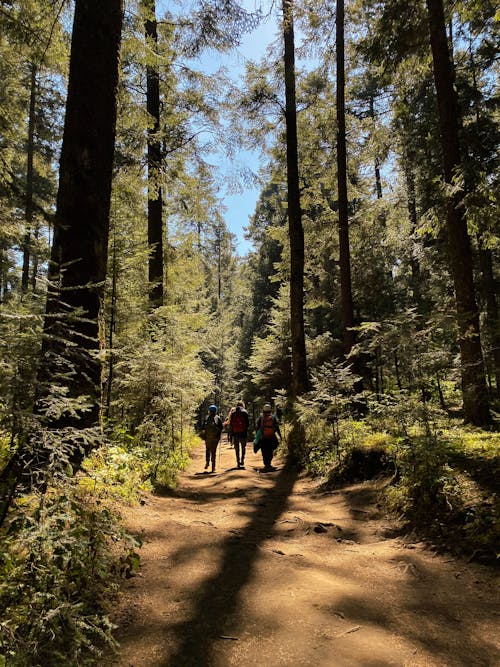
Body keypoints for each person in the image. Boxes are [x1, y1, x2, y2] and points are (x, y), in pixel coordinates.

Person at [255, 403, 281, 472]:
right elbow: (277, 427)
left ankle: (266, 465)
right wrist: (279, 435)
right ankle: (269, 464)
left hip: (263, 438)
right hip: (271, 437)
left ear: (263, 410)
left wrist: (257, 437)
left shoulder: (261, 417)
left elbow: (257, 428)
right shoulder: (273, 417)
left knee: (264, 451)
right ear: (270, 410)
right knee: (270, 450)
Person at [202, 405, 223, 473]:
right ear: (215, 411)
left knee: (208, 450)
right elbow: (221, 428)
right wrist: (218, 436)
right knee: (213, 452)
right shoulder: (218, 418)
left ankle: (207, 462)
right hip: (215, 438)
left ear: (209, 411)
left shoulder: (206, 418)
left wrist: (204, 436)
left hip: (208, 438)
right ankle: (213, 467)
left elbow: (203, 428)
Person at [229, 400, 249, 468]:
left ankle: (238, 462)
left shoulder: (233, 413)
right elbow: (247, 424)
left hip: (235, 433)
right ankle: (242, 460)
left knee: (237, 449)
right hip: (243, 433)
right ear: (243, 405)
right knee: (243, 447)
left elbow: (231, 424)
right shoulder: (245, 412)